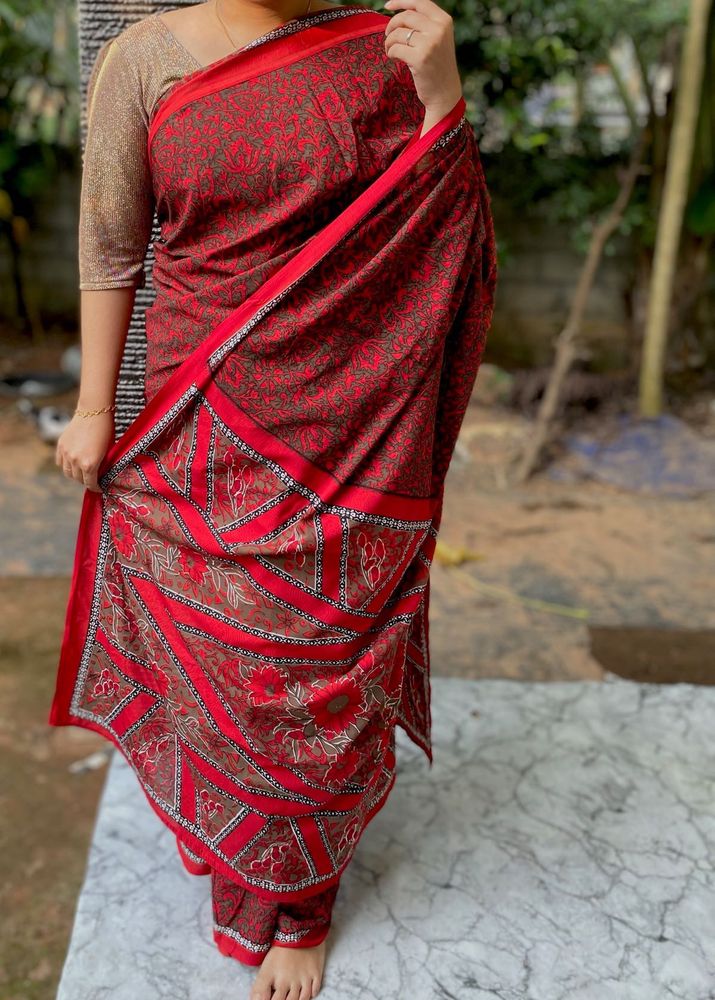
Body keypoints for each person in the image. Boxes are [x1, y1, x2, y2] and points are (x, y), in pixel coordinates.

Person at [49, 1, 497, 998]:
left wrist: (440, 101)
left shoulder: (384, 44)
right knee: (220, 655)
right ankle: (241, 831)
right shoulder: (142, 62)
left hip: (350, 428)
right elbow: (112, 246)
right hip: (199, 415)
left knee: (318, 667)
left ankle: (302, 905)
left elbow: (434, 236)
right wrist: (92, 407)